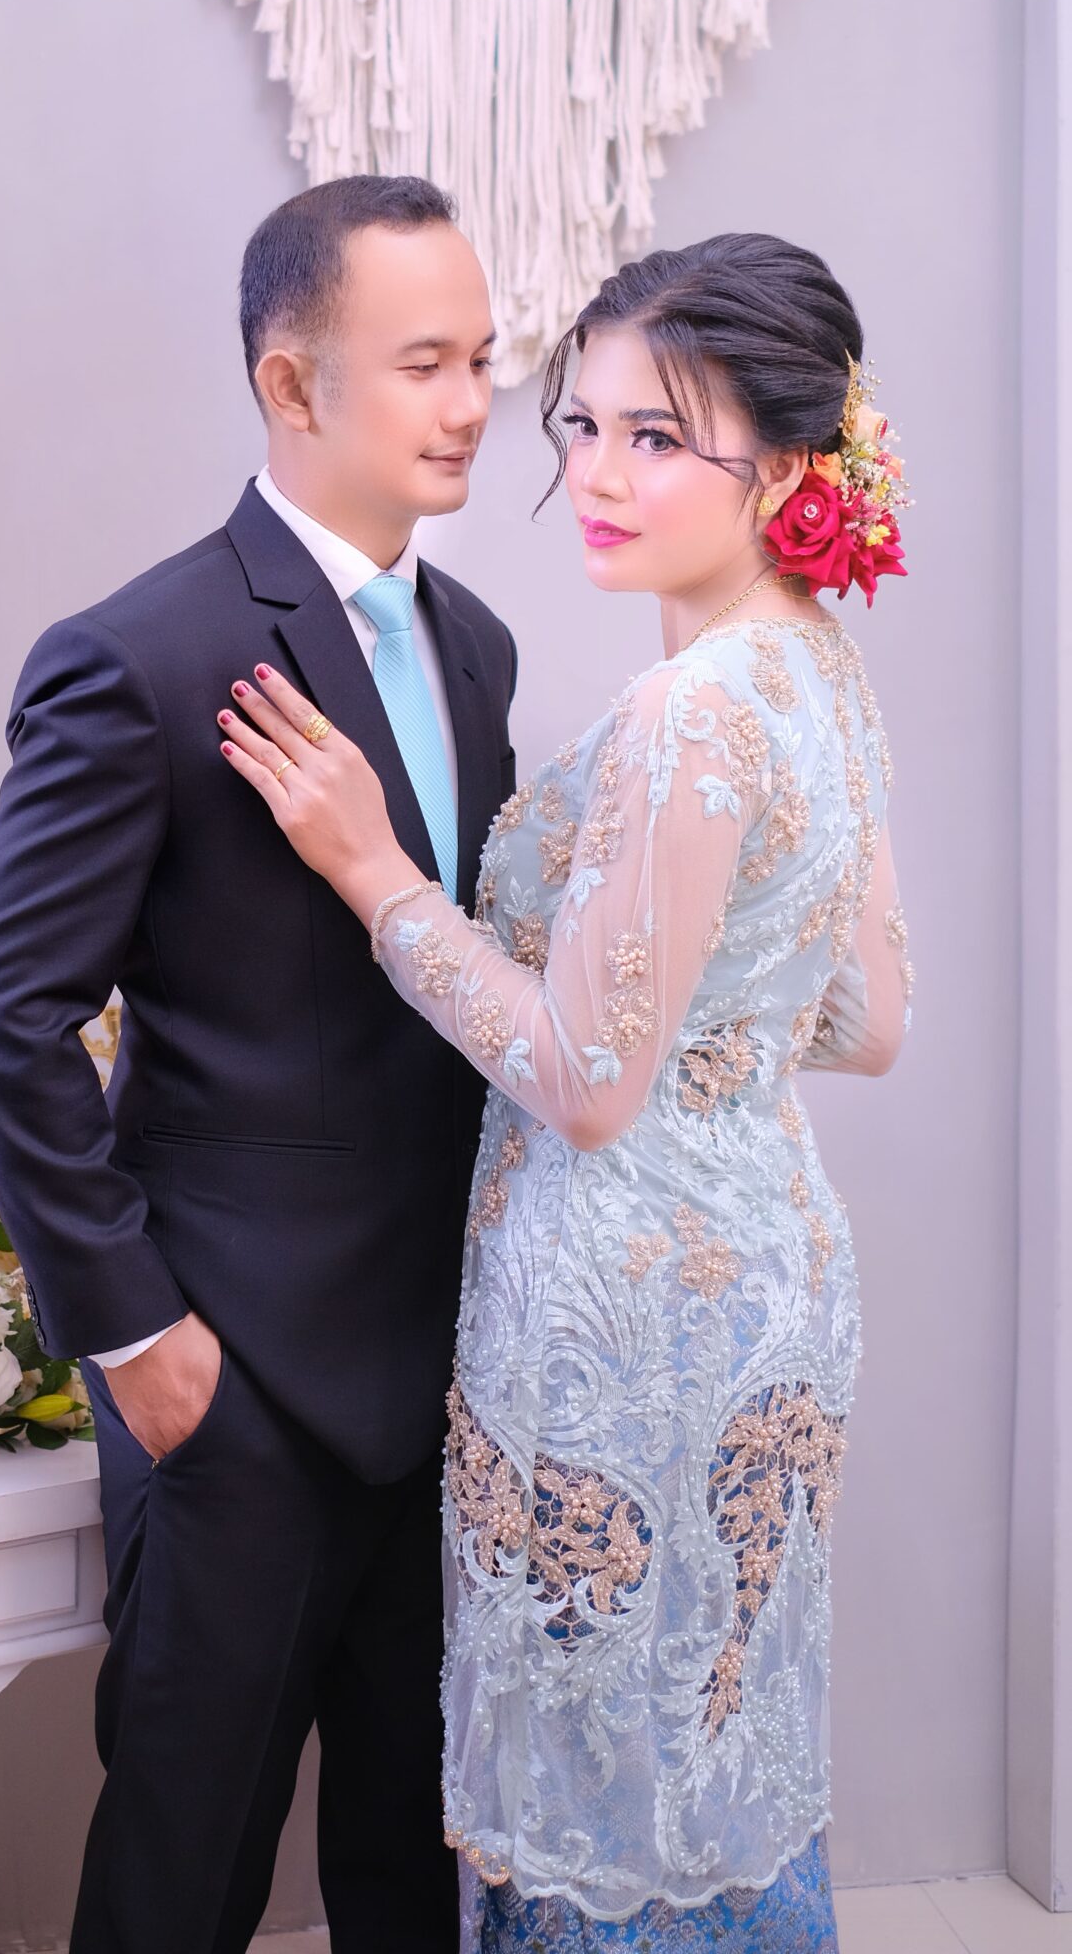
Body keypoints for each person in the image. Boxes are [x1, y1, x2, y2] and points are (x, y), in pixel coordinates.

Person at [218, 233, 911, 1951]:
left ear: (789, 468)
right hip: (774, 1273)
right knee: (718, 1731)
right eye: (582, 426)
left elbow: (588, 1088)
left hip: (621, 1310)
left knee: (611, 1772)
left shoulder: (691, 710)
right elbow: (867, 1016)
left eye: (657, 438)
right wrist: (705, 1034)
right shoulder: (819, 670)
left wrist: (378, 873)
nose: (596, 475)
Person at [0, 174, 518, 1954]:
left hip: (448, 1368)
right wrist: (141, 1340)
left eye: (484, 358)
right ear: (289, 382)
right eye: (425, 362)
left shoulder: (476, 644)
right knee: (182, 1875)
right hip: (234, 1375)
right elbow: (0, 1007)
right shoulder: (142, 656)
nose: (474, 403)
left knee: (414, 1873)